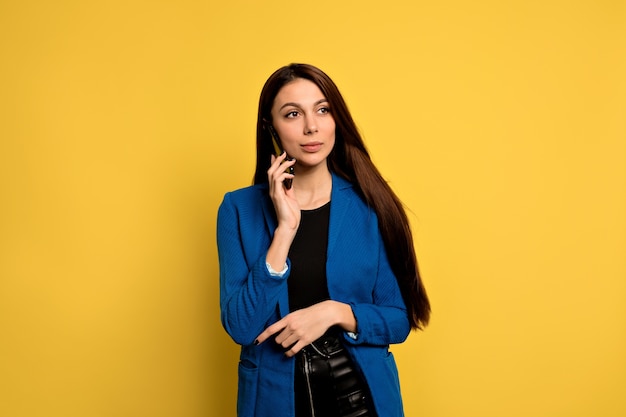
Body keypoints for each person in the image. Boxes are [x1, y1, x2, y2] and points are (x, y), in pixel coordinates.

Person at [217, 63, 430, 417]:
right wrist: (284, 230)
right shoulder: (238, 209)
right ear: (270, 127)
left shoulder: (371, 206)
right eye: (292, 114)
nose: (311, 126)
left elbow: (398, 320)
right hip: (274, 402)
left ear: (336, 119)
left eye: (322, 109)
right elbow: (242, 326)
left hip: (360, 400)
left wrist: (333, 312)